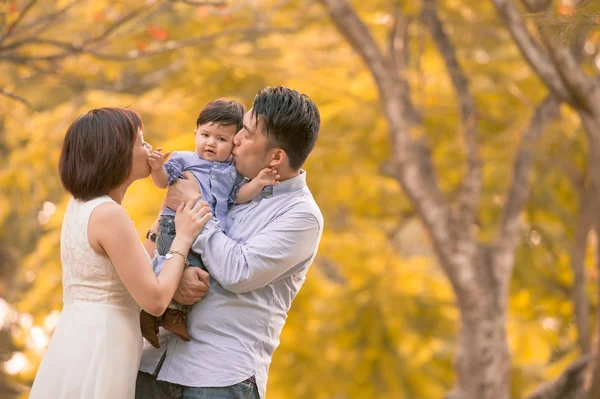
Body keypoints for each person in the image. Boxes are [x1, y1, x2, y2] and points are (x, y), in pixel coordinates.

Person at [136, 86, 324, 399]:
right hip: (150, 363)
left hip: (216, 381)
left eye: (246, 134)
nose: (234, 139)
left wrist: (195, 206)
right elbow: (157, 238)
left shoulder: (301, 216)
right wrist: (173, 271)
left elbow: (238, 271)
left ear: (277, 157)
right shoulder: (221, 177)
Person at [29, 107, 212, 399]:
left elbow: (134, 263)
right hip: (102, 348)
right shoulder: (109, 214)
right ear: (115, 153)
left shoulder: (83, 207)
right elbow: (154, 299)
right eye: (140, 142)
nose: (149, 148)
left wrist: (166, 216)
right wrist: (185, 236)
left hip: (78, 340)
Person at [141, 99, 280, 347]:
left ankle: (170, 315)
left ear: (234, 143)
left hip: (206, 233)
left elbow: (238, 195)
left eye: (221, 139)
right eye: (205, 135)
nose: (211, 143)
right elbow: (164, 183)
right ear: (195, 134)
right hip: (175, 224)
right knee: (172, 265)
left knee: (197, 276)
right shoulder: (185, 160)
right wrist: (156, 168)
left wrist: (258, 182)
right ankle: (151, 311)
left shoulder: (232, 171)